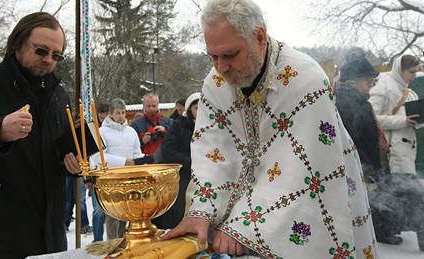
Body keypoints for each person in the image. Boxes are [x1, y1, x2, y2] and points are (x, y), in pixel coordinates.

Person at [161, 1, 377, 258]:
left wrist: (243, 227)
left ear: (259, 37)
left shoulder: (305, 79)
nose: (220, 67)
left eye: (229, 55)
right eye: (213, 56)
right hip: (242, 217)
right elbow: (212, 152)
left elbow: (299, 171)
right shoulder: (216, 82)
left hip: (304, 202)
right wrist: (201, 211)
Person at [0, 12, 81, 259]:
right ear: (17, 43)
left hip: (51, 237)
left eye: (56, 55)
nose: (49, 60)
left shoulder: (59, 95)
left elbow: (57, 152)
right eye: (41, 50)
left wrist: (72, 163)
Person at [368, 54, 424, 249]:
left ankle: (386, 231)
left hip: (406, 151)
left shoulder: (409, 92)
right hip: (391, 153)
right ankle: (419, 236)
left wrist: (417, 121)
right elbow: (372, 118)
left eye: (417, 71)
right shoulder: (383, 86)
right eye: (411, 71)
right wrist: (403, 121)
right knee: (413, 194)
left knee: (391, 195)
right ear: (400, 69)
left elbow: (409, 120)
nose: (414, 75)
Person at [90, 98, 145, 239]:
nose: (121, 116)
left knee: (126, 214)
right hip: (111, 180)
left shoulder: (131, 131)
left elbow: (137, 153)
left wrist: (143, 161)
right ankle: (112, 245)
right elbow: (98, 157)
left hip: (129, 179)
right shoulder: (102, 131)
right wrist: (123, 162)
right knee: (112, 215)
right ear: (111, 114)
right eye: (118, 113)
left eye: (123, 112)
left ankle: (122, 243)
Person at [154, 92, 200, 229]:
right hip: (182, 174)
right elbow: (168, 150)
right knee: (180, 208)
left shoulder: (213, 126)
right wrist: (189, 161)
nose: (200, 111)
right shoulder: (179, 125)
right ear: (190, 110)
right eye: (197, 108)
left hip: (204, 174)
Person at [335, 51, 383, 179]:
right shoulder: (346, 104)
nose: (371, 87)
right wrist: (369, 175)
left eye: (373, 83)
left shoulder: (360, 102)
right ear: (353, 81)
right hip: (360, 173)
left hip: (367, 170)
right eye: (368, 82)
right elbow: (354, 142)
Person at [131, 93, 172, 160]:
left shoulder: (169, 122)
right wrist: (142, 141)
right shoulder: (136, 124)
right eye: (148, 106)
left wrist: (165, 131)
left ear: (158, 105)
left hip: (166, 159)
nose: (151, 108)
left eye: (154, 106)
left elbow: (177, 141)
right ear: (143, 106)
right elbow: (131, 147)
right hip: (145, 161)